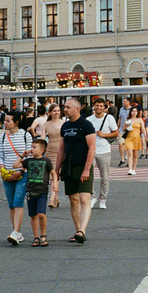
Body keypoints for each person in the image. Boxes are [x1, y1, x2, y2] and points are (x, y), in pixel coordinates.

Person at [56, 98, 97, 244]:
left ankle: (82, 230)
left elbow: (92, 148)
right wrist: (56, 169)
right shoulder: (65, 126)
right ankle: (78, 230)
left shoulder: (87, 125)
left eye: (68, 107)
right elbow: (61, 149)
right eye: (64, 107)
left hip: (83, 166)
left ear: (77, 109)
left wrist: (87, 169)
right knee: (73, 200)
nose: (65, 109)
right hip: (69, 167)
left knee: (84, 199)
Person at [0, 111, 33, 245]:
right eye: (5, 121)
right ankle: (16, 231)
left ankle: (16, 231)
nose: (5, 123)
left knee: (18, 201)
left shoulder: (25, 136)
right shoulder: (2, 137)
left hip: (22, 173)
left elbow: (30, 155)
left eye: (8, 121)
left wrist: (22, 170)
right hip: (7, 173)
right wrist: (2, 169)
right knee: (11, 204)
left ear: (16, 122)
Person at [14, 138, 57, 247]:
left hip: (42, 191)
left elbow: (53, 173)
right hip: (30, 191)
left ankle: (43, 235)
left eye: (34, 147)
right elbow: (15, 166)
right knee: (33, 215)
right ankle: (36, 237)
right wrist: (22, 156)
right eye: (31, 147)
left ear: (42, 150)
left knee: (41, 214)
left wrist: (55, 184)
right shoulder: (28, 161)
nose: (31, 149)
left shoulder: (46, 161)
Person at [86, 98, 118, 209]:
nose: (98, 108)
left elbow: (116, 133)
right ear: (93, 106)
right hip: (91, 151)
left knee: (104, 177)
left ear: (104, 107)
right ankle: (92, 197)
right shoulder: (88, 120)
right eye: (96, 105)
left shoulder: (109, 118)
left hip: (104, 151)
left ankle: (103, 199)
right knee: (89, 176)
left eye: (101, 106)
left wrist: (103, 135)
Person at [43, 103, 64, 209]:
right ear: (50, 112)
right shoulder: (46, 125)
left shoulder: (63, 123)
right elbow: (42, 140)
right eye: (55, 111)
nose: (57, 113)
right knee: (52, 175)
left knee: (56, 174)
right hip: (49, 151)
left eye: (58, 111)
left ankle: (52, 198)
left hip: (60, 151)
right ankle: (55, 198)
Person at [123, 106, 148, 176]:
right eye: (133, 111)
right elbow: (123, 128)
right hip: (129, 138)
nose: (134, 113)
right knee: (129, 153)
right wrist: (127, 127)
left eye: (135, 111)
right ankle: (130, 169)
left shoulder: (139, 120)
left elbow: (143, 129)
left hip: (136, 138)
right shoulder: (128, 119)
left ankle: (134, 169)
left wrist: (146, 137)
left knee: (135, 155)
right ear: (130, 112)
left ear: (137, 112)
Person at [116, 97, 132, 167]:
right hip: (122, 130)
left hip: (129, 131)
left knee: (128, 146)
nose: (123, 102)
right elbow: (120, 118)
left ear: (128, 102)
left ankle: (129, 160)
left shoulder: (132, 109)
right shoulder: (121, 109)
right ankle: (122, 159)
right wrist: (117, 128)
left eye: (125, 101)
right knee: (120, 143)